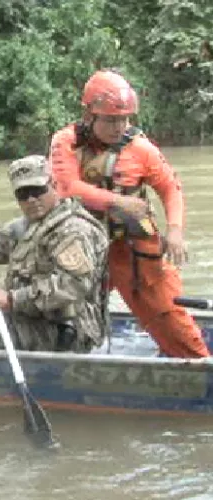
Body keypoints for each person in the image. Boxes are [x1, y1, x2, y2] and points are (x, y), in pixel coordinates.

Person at [49, 69, 210, 358]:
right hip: (81, 248)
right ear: (89, 115)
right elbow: (68, 189)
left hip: (131, 249)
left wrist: (174, 231)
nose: (119, 126)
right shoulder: (65, 142)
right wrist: (119, 202)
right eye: (111, 120)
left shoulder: (141, 149)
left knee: (168, 315)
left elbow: (170, 188)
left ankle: (193, 362)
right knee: (59, 310)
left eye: (125, 119)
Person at [0, 155, 109, 352]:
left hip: (68, 331)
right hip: (33, 318)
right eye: (23, 194)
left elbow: (73, 284)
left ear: (53, 185)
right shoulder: (26, 227)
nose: (31, 199)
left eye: (37, 190)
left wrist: (12, 299)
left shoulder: (73, 230)